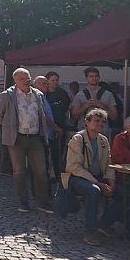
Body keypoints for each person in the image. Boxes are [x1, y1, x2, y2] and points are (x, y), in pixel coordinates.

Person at [0, 68, 50, 211]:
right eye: (22, 79)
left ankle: (42, 201)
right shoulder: (7, 96)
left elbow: (41, 114)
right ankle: (23, 201)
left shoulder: (38, 95)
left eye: (27, 78)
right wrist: (9, 128)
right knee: (19, 171)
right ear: (15, 81)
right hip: (17, 139)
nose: (26, 81)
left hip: (36, 137)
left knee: (41, 171)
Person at [63, 108, 120, 246]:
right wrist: (99, 184)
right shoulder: (78, 139)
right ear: (86, 122)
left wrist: (111, 181)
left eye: (103, 122)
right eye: (96, 121)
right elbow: (73, 167)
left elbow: (108, 163)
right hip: (76, 178)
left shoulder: (104, 140)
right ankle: (90, 231)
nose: (100, 124)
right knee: (93, 191)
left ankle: (104, 223)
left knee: (122, 192)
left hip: (97, 177)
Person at [71, 67, 118, 132]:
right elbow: (75, 116)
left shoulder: (108, 95)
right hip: (84, 131)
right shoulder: (79, 95)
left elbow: (114, 116)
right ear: (86, 78)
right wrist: (85, 106)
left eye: (96, 76)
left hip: (102, 132)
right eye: (91, 76)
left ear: (99, 77)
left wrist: (102, 106)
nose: (94, 78)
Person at [45, 71, 71, 180]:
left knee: (58, 151)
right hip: (47, 126)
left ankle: (57, 174)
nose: (55, 82)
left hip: (60, 125)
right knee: (47, 151)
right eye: (52, 80)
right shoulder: (44, 94)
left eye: (56, 80)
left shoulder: (62, 93)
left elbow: (66, 108)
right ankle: (47, 172)